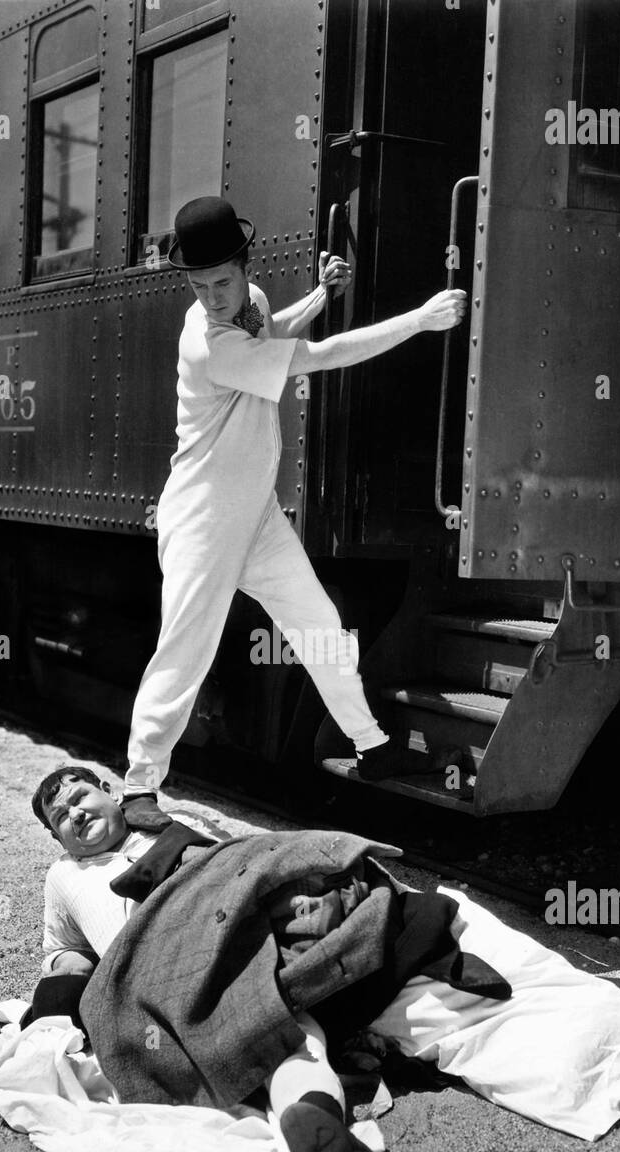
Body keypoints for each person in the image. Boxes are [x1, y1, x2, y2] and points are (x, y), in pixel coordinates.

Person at [28, 765, 620, 1152]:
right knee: (290, 1027)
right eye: (59, 815)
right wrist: (48, 1020)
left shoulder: (170, 823)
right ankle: (318, 1128)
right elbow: (67, 960)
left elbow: (252, 856)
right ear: (60, 840)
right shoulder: (67, 880)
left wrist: (295, 876)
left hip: (257, 917)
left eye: (77, 791)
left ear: (112, 793)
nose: (73, 810)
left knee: (449, 928)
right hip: (181, 959)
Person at [123, 196, 468, 820]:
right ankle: (140, 786)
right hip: (202, 519)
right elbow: (317, 357)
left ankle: (373, 746)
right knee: (185, 649)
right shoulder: (208, 343)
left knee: (320, 629)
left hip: (252, 515)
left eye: (222, 281)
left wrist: (321, 295)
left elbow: (271, 328)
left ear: (243, 265)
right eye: (199, 286)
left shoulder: (247, 304)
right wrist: (419, 320)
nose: (212, 297)